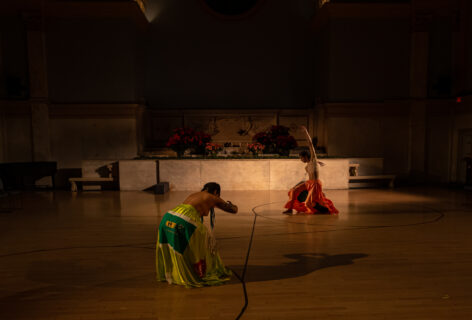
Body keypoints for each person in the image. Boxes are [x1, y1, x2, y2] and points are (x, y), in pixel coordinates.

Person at [156, 182, 238, 288]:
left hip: (168, 217)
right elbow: (233, 210)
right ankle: (199, 273)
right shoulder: (213, 197)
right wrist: (231, 204)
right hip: (186, 221)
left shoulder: (194, 195)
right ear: (215, 192)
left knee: (178, 248)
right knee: (205, 247)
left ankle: (173, 274)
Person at [283, 126, 338, 215]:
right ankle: (290, 209)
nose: (301, 160)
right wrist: (318, 162)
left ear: (305, 156)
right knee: (293, 191)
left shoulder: (313, 159)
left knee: (309, 203)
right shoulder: (308, 165)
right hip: (309, 183)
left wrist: (306, 132)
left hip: (315, 184)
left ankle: (325, 210)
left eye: (301, 158)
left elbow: (310, 144)